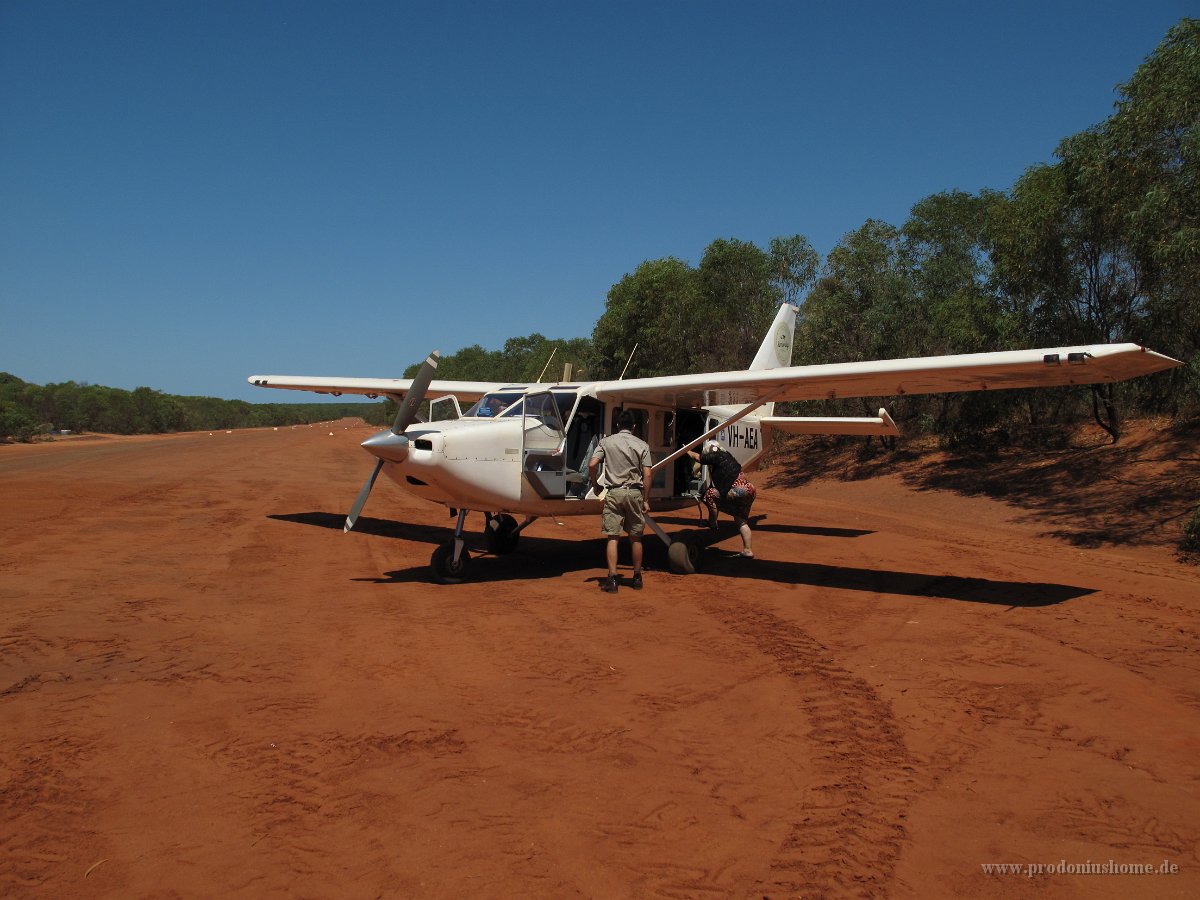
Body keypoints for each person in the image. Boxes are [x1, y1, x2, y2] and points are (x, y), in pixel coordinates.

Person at [588, 410, 653, 593]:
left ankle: (613, 578)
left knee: (613, 536)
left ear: (617, 425)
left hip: (614, 492)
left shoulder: (606, 442)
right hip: (634, 493)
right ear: (634, 427)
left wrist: (595, 485)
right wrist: (645, 499)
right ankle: (637, 577)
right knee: (636, 536)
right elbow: (648, 473)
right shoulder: (642, 444)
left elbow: (592, 464)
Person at [687, 440, 756, 557]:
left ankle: (713, 523)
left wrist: (686, 450)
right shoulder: (726, 455)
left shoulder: (717, 455)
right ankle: (747, 550)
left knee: (709, 494)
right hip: (750, 490)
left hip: (737, 489)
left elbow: (699, 458)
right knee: (741, 521)